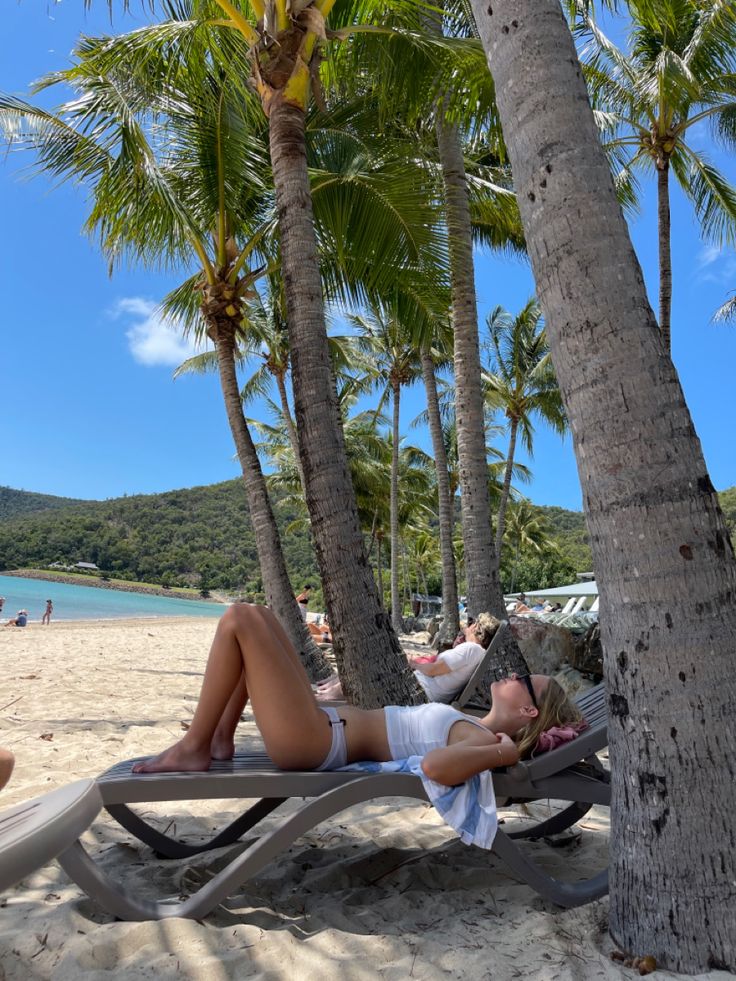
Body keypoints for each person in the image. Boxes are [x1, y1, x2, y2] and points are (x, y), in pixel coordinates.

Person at [132, 604, 581, 783]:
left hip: (316, 742)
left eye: (523, 679)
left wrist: (503, 755)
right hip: (321, 727)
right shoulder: (472, 726)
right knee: (261, 617)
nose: (511, 673)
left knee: (239, 622)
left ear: (526, 709)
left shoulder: (483, 741)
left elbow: (434, 766)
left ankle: (194, 746)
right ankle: (219, 738)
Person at [409, 613, 499, 703]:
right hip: (427, 689)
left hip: (423, 690)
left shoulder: (471, 649)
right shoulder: (476, 651)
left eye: (471, 621)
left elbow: (432, 670)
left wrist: (415, 665)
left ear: (475, 627)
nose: (469, 624)